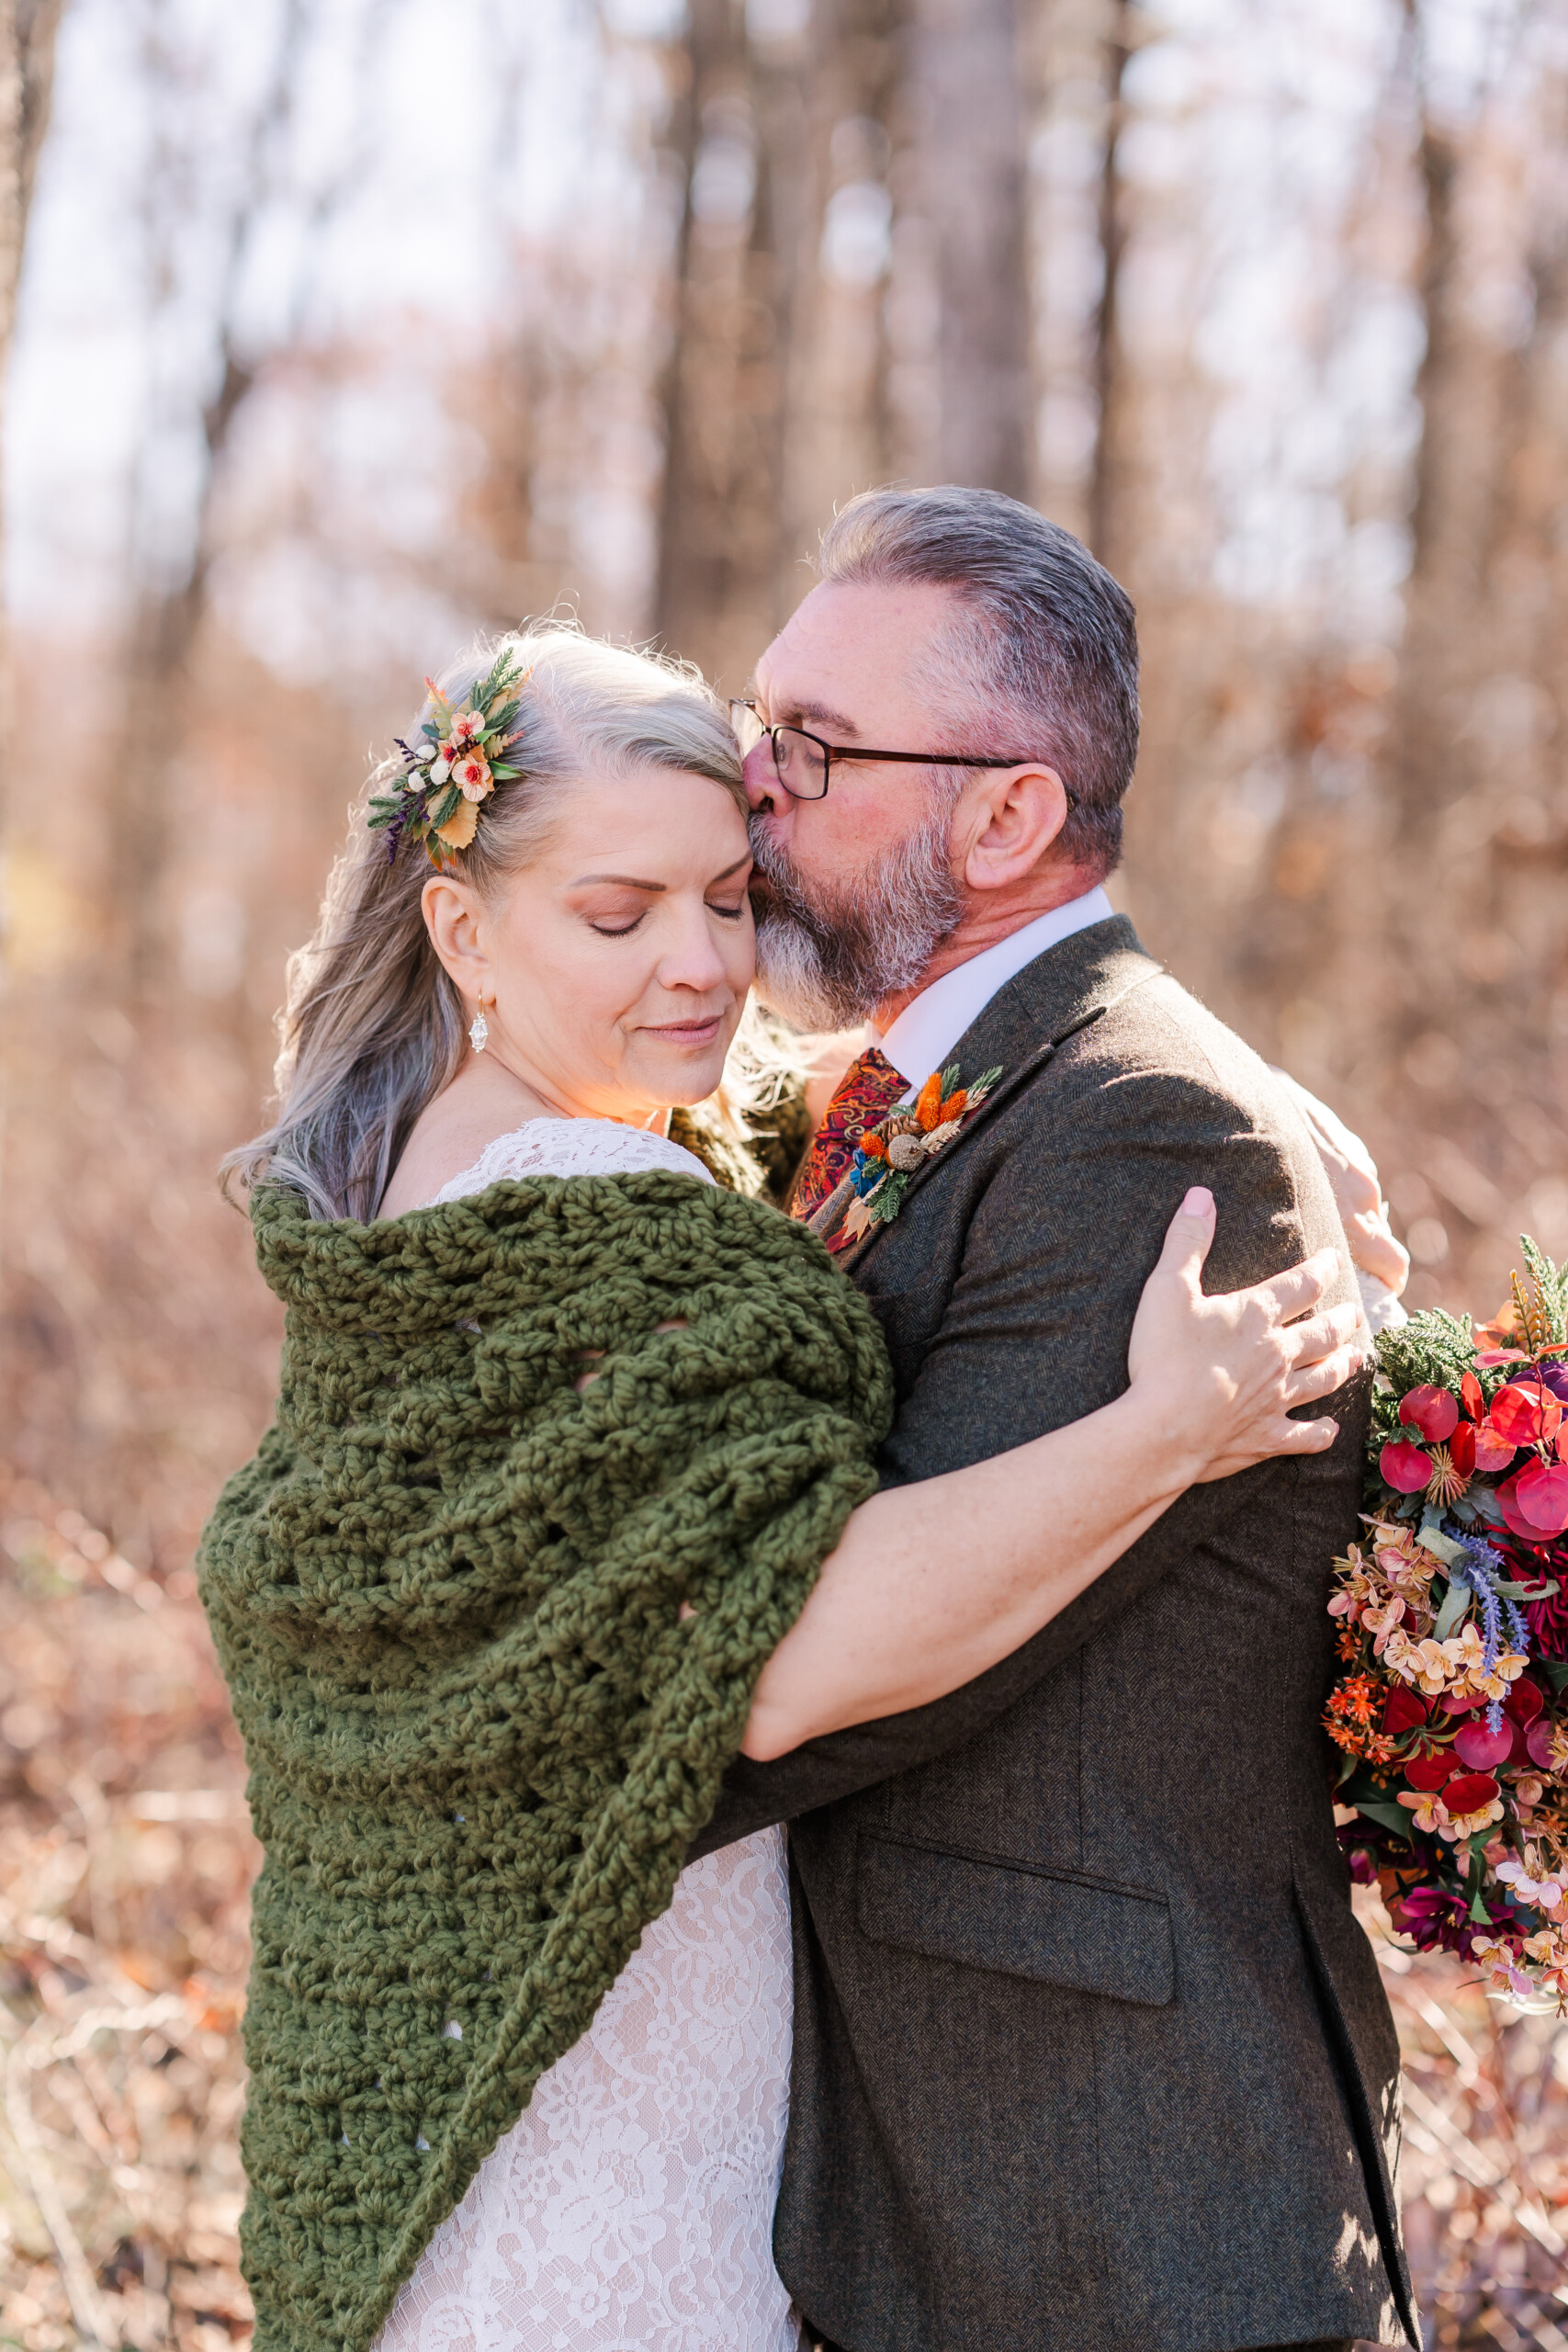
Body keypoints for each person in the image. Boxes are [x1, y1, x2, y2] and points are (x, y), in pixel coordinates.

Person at [202, 624, 1365, 2352]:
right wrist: (1161, 1435)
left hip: (531, 2031)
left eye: (730, 901)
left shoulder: (459, 1162)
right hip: (605, 2076)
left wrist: (1249, 1096)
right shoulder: (585, 1216)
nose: (700, 967)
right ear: (461, 927)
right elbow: (783, 1661)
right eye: (619, 916)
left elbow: (845, 1097)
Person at [697, 483, 1418, 2352]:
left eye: (813, 745)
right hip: (951, 2181)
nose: (747, 781)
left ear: (1006, 813)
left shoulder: (1142, 1127)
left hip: (1114, 2204)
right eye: (753, 720)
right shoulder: (932, 1085)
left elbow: (853, 1660)